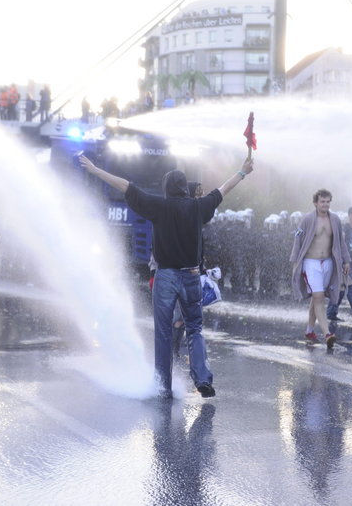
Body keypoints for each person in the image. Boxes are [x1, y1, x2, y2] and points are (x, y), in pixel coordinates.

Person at [79, 153, 255, 398]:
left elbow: (126, 186)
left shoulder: (158, 206)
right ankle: (202, 379)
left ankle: (163, 387)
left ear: (166, 188)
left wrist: (96, 170)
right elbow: (223, 190)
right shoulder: (198, 206)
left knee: (163, 332)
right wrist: (243, 171)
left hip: (165, 277)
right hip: (192, 276)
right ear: (185, 188)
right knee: (195, 328)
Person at [290, 189, 351, 349]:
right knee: (317, 295)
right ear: (316, 203)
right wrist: (295, 261)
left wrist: (346, 260)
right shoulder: (307, 219)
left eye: (328, 201)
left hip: (328, 262)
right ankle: (327, 334)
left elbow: (340, 242)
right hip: (311, 262)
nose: (325, 204)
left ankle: (310, 331)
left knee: (318, 297)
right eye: (322, 201)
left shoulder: (335, 220)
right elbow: (297, 238)